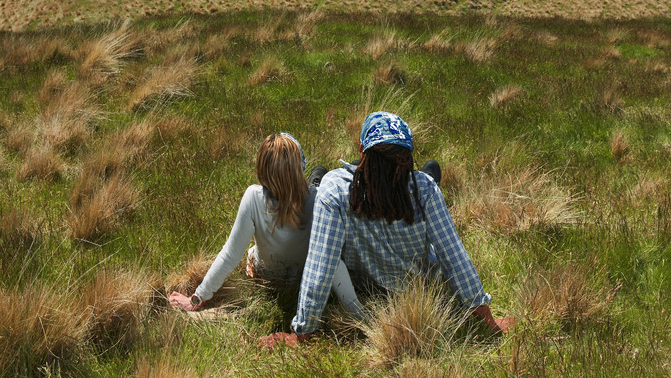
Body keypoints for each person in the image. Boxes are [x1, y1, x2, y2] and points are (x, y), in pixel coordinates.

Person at [260, 112, 515, 347]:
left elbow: (321, 266)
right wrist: (489, 322)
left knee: (350, 172)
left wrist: (302, 333)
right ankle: (417, 168)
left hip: (366, 289)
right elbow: (454, 258)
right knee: (429, 172)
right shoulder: (424, 189)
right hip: (420, 290)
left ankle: (364, 166)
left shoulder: (335, 189)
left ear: (361, 149)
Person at [168, 132, 361, 314]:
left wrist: (197, 298)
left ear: (262, 169)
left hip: (265, 277)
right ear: (299, 167)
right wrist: (357, 312)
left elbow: (230, 255)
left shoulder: (253, 196)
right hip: (305, 278)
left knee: (252, 251)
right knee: (320, 175)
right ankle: (315, 177)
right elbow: (334, 261)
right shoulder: (319, 199)